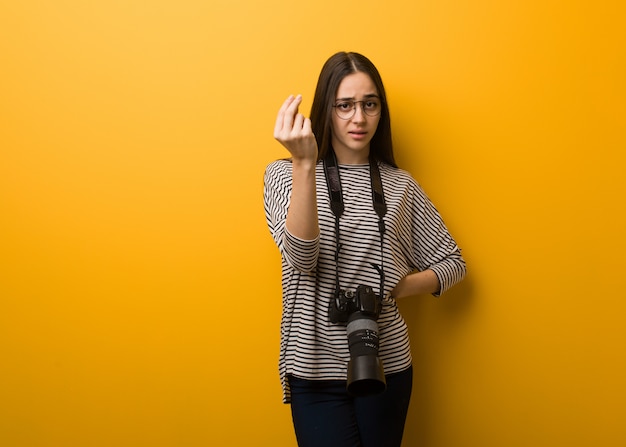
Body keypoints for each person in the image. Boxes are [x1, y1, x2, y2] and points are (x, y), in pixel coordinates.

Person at [264, 52, 466, 447]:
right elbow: (303, 259)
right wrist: (304, 164)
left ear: (380, 111)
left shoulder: (399, 186)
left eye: (369, 104)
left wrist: (395, 288)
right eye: (345, 105)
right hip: (315, 367)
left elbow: (453, 264)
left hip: (386, 361)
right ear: (326, 109)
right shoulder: (284, 174)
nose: (359, 118)